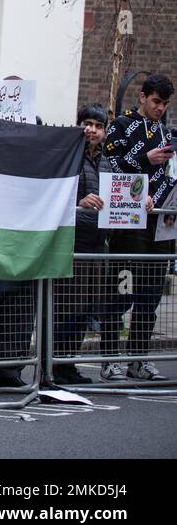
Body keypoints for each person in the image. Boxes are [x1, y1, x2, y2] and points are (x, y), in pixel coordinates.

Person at [100, 73, 173, 381]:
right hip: (128, 224)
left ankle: (138, 358)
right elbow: (113, 163)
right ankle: (109, 358)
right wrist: (146, 157)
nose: (160, 108)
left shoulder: (165, 132)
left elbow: (167, 174)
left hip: (158, 221)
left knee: (150, 295)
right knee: (121, 291)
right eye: (156, 101)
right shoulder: (121, 125)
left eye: (165, 104)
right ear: (143, 97)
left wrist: (165, 201)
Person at [50, 104, 112, 385]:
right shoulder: (67, 155)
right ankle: (55, 365)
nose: (92, 130)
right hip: (71, 242)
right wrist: (78, 203)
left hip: (97, 244)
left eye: (98, 126)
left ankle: (68, 364)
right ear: (78, 125)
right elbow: (53, 192)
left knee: (84, 309)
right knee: (65, 308)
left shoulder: (107, 161)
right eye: (87, 123)